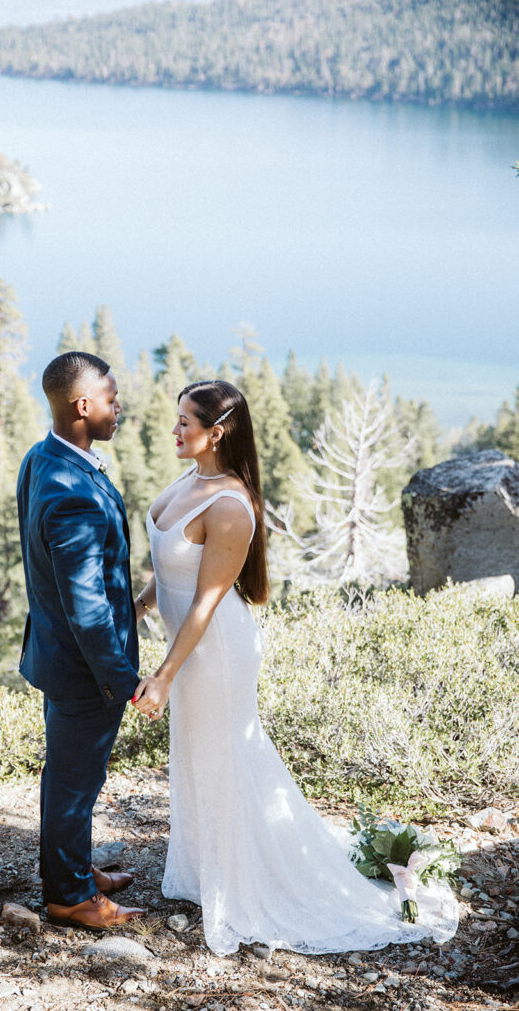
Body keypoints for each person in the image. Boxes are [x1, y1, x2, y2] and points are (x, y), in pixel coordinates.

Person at [132, 379, 457, 956]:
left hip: (215, 653)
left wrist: (164, 674)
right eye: (178, 418)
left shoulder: (229, 505)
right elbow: (176, 565)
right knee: (197, 754)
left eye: (186, 420)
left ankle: (246, 883)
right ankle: (211, 869)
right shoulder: (192, 479)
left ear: (218, 431)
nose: (175, 429)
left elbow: (206, 601)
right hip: (189, 647)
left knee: (228, 757)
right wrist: (141, 604)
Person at [17, 351, 146, 930]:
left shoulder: (43, 458)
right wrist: (122, 680)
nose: (120, 409)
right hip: (83, 670)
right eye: (113, 400)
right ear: (83, 405)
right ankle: (69, 896)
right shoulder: (70, 492)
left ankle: (74, 867)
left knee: (68, 776)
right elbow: (85, 606)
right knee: (73, 782)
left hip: (58, 656)